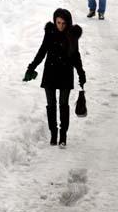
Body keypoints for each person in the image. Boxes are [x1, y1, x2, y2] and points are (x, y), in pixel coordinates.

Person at [23, 8, 86, 148]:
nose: (61, 26)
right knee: (51, 105)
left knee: (63, 105)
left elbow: (76, 56)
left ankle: (63, 135)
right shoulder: (50, 32)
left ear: (68, 23)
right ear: (54, 21)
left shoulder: (72, 35)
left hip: (65, 73)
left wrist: (81, 73)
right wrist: (31, 67)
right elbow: (42, 51)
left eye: (64, 23)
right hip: (50, 73)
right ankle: (53, 133)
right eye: (58, 22)